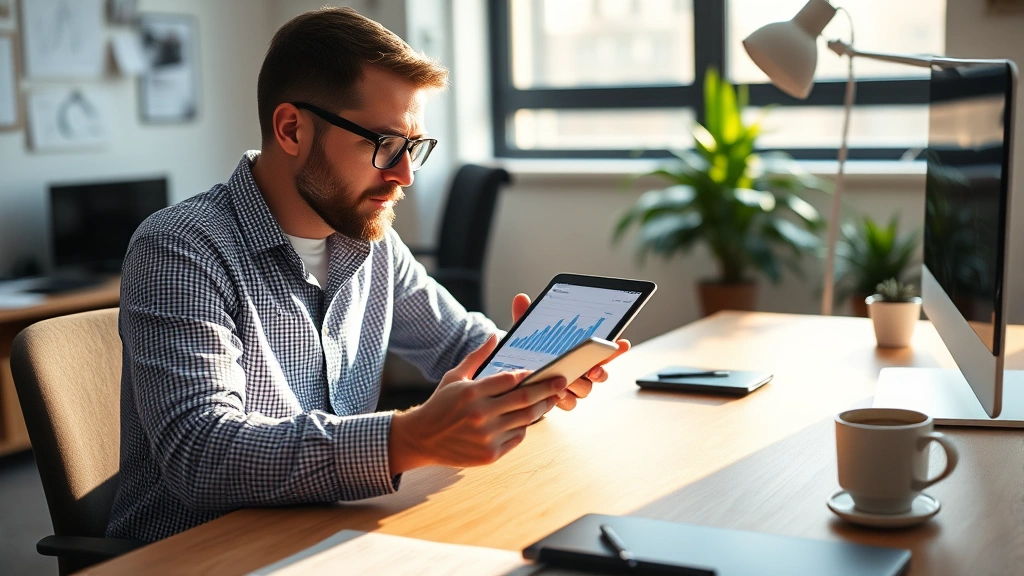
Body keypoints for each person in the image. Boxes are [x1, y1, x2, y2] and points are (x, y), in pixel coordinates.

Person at [107, 7, 628, 542]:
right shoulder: (179, 247)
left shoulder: (369, 241)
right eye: (383, 144)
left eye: (414, 147)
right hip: (200, 551)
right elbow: (202, 454)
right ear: (291, 129)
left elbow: (462, 345)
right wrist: (410, 437)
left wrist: (529, 375)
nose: (404, 174)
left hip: (333, 533)